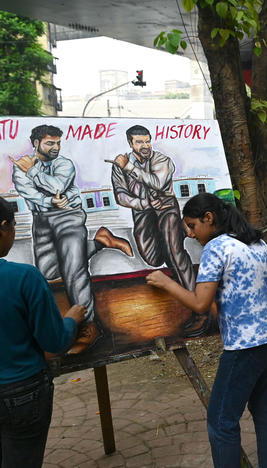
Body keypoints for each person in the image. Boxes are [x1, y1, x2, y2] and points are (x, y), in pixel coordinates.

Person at [145, 193, 267, 468]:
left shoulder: (216, 248)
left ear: (209, 219)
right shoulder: (254, 240)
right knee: (264, 410)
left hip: (244, 345)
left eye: (192, 226)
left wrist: (167, 284)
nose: (189, 234)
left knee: (221, 421)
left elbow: (201, 304)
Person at [11, 124, 132, 354]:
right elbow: (29, 192)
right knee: (48, 272)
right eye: (50, 143)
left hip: (69, 216)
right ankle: (100, 241)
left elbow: (57, 185)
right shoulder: (21, 167)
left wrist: (33, 173)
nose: (56, 147)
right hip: (42, 220)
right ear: (36, 143)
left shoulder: (64, 164)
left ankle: (89, 325)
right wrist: (49, 202)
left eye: (58, 143)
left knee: (74, 270)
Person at [0, 196, 86, 467]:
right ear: (4, 226)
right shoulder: (24, 278)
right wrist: (71, 319)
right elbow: (54, 341)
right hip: (21, 393)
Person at [109, 125, 202, 336]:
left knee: (174, 254)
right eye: (139, 142)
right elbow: (120, 196)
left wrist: (130, 169)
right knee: (152, 258)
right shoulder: (119, 164)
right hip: (143, 212)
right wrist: (144, 203)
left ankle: (199, 309)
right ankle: (179, 229)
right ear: (130, 144)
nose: (145, 146)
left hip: (166, 207)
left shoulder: (162, 160)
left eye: (147, 141)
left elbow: (158, 183)